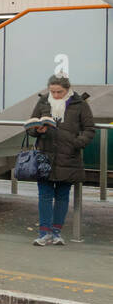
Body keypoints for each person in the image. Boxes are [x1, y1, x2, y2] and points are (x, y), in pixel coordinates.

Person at [28, 75, 95, 246]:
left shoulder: (80, 104)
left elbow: (89, 129)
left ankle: (56, 233)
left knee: (62, 197)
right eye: (53, 91)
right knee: (44, 196)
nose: (56, 95)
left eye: (60, 92)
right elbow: (31, 126)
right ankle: (44, 233)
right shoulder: (43, 101)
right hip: (45, 156)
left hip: (69, 155)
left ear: (68, 89)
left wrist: (77, 143)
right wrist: (37, 130)